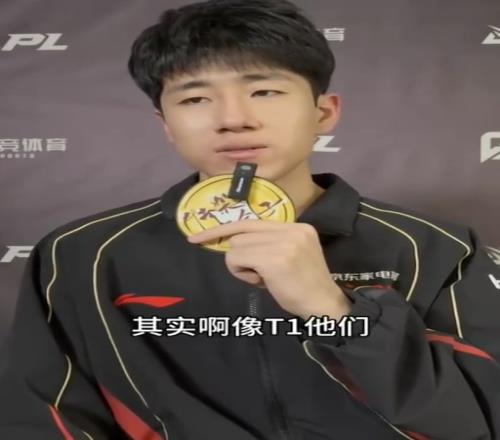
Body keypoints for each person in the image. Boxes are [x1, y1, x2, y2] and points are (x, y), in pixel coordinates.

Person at [1, 0, 499, 438]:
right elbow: (45, 418)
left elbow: (477, 421)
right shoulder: (82, 254)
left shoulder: (437, 249)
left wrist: (335, 311)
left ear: (324, 113)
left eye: (264, 91)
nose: (233, 118)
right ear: (166, 125)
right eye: (195, 98)